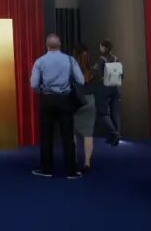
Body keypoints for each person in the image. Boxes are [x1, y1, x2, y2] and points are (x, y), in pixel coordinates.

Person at [30, 34, 84, 179]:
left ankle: (46, 169)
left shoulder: (40, 61)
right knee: (68, 137)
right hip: (65, 100)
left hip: (47, 100)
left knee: (46, 136)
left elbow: (34, 84)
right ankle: (71, 171)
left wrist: (42, 91)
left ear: (47, 46)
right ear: (60, 45)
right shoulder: (70, 60)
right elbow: (81, 80)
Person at [72, 44, 98, 173]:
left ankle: (74, 160)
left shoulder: (71, 69)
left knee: (72, 133)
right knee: (88, 134)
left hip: (75, 101)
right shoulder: (92, 70)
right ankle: (87, 162)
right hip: (90, 101)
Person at [93, 40, 121, 146]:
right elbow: (122, 75)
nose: (100, 48)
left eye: (100, 46)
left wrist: (95, 69)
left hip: (105, 88)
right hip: (116, 88)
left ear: (104, 48)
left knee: (103, 113)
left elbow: (100, 75)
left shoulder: (101, 60)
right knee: (115, 114)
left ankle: (115, 134)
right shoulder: (116, 59)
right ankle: (115, 138)